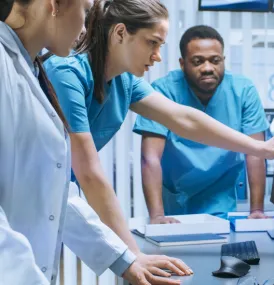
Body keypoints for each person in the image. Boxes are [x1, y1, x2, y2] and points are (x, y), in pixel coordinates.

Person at [43, 0, 274, 272]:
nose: (157, 56)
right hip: (30, 192)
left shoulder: (124, 82)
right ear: (120, 33)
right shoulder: (67, 73)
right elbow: (89, 172)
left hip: (54, 194)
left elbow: (185, 119)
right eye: (152, 43)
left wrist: (260, 148)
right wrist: (132, 254)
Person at [0, 0, 191, 285]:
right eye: (86, 11)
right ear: (54, 5)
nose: (87, 26)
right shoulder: (20, 69)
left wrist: (125, 259)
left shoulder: (29, 69)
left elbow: (55, 191)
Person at [133, 25, 269, 223]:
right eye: (198, 61)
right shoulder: (163, 90)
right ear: (182, 63)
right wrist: (157, 215)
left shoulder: (243, 90)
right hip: (176, 197)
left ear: (223, 60)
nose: (207, 68)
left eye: (215, 60)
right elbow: (150, 157)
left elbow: (256, 153)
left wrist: (256, 209)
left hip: (219, 196)